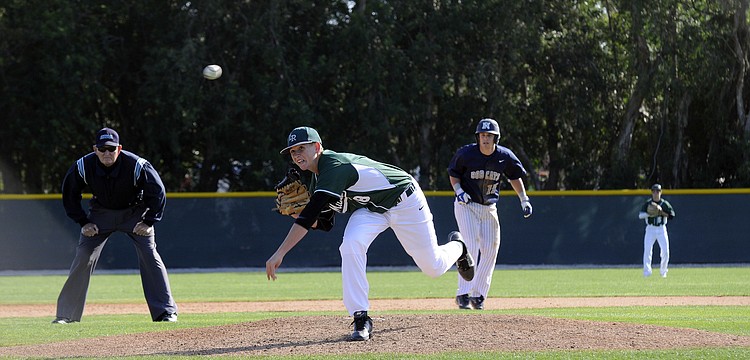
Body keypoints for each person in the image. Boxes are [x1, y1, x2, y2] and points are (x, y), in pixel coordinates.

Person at [266, 126, 475, 341]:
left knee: (433, 266)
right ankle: (360, 317)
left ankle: (458, 247)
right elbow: (325, 223)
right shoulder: (313, 179)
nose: (297, 154)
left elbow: (309, 217)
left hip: (404, 200)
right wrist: (296, 215)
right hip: (371, 210)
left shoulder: (334, 166)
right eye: (293, 151)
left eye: (302, 147)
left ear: (317, 147)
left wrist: (280, 252)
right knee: (350, 245)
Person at [53, 127, 178, 324]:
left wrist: (149, 221)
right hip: (100, 215)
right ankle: (66, 315)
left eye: (111, 149)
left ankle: (166, 313)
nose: (107, 153)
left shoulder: (137, 165)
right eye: (102, 149)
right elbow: (69, 194)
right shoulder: (83, 166)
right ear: (95, 149)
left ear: (119, 148)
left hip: (135, 213)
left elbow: (158, 191)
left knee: (149, 254)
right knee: (83, 256)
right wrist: (83, 221)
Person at [447, 118, 532, 310]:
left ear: (496, 138)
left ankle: (478, 295)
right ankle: (463, 293)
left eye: (489, 136)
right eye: (483, 135)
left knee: (490, 249)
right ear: (478, 137)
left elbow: (514, 176)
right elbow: (453, 173)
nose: (485, 139)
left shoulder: (504, 156)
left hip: (489, 208)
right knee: (470, 246)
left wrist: (524, 199)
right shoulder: (466, 153)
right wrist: (459, 191)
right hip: (466, 205)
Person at [638, 183, 675, 278]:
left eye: (657, 191)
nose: (655, 193)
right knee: (647, 251)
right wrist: (650, 214)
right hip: (650, 228)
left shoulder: (664, 204)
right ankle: (647, 273)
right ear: (651, 192)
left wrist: (661, 212)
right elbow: (640, 215)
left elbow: (672, 216)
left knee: (665, 251)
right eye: (654, 191)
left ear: (661, 192)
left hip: (661, 229)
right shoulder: (648, 203)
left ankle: (663, 272)